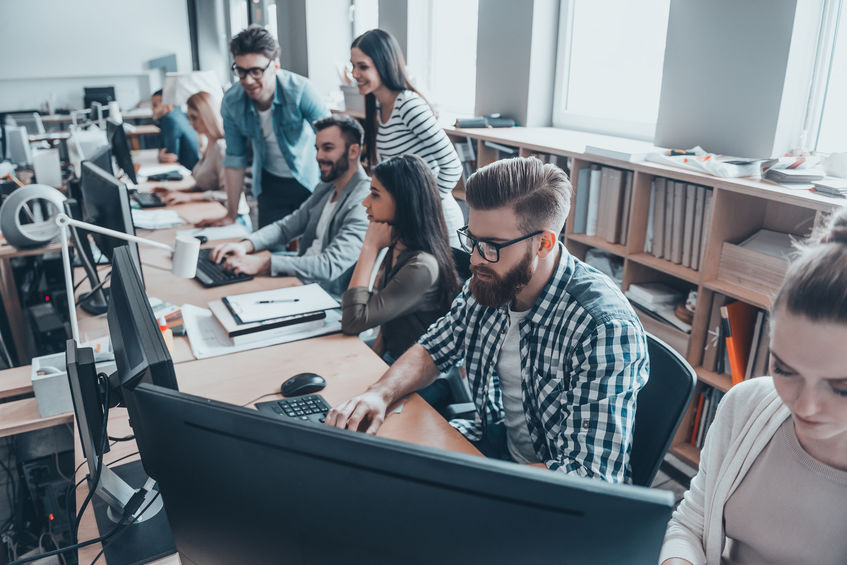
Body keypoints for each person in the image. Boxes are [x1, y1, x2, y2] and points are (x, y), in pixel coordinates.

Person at [326, 157, 649, 483]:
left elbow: (589, 475)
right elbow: (434, 349)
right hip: (496, 446)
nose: (477, 259)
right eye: (474, 239)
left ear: (543, 243)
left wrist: (478, 482)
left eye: (493, 246)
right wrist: (379, 394)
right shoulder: (493, 281)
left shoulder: (603, 329)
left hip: (554, 494)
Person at [660, 208, 847, 565]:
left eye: (842, 389)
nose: (804, 407)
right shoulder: (746, 405)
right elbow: (691, 522)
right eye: (785, 369)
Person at [209, 115, 369, 297]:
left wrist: (263, 263)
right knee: (223, 282)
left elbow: (329, 265)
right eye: (317, 149)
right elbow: (286, 227)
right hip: (300, 280)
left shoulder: (363, 202)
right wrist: (246, 245)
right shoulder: (327, 186)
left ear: (354, 151)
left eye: (328, 148)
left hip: (326, 296)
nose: (318, 156)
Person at [199, 25, 330, 228]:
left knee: (310, 252)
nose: (248, 80)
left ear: (275, 65)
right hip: (270, 183)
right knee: (268, 254)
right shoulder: (232, 101)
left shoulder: (302, 91)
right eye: (241, 71)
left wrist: (337, 191)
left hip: (309, 180)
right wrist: (230, 215)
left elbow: (332, 141)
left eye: (256, 71)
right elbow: (235, 159)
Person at [341, 154, 461, 363]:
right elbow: (387, 324)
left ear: (404, 202)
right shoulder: (398, 247)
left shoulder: (421, 267)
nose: (365, 203)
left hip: (417, 374)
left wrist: (369, 248)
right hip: (396, 358)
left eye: (375, 195)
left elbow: (353, 321)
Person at [350, 28, 464, 246]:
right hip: (409, 220)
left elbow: (452, 165)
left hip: (438, 221)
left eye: (362, 66)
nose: (354, 74)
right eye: (353, 65)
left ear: (384, 64)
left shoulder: (408, 105)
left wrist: (422, 209)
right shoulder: (377, 106)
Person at [150, 91, 250, 225]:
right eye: (189, 117)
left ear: (207, 116)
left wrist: (188, 197)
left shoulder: (222, 147)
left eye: (194, 117)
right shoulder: (208, 144)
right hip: (214, 212)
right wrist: (176, 191)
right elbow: (205, 185)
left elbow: (228, 194)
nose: (190, 123)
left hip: (233, 219)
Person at [151, 89, 200, 169]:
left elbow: (170, 157)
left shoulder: (170, 120)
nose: (152, 109)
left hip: (188, 174)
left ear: (168, 105)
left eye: (155, 105)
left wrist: (160, 156)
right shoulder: (178, 114)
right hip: (193, 168)